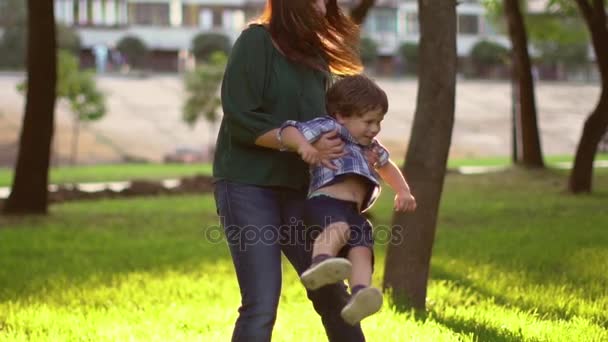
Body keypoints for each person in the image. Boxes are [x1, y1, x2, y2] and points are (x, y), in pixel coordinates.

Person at [212, 0, 370, 341]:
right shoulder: (256, 41)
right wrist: (298, 144)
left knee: (332, 293)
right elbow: (241, 117)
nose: (322, 5)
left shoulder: (316, 56)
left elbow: (323, 122)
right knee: (261, 302)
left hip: (301, 189)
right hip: (247, 185)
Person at [278, 75, 417, 325]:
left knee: (362, 249)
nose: (375, 129)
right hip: (325, 202)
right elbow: (288, 129)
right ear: (342, 115)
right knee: (338, 229)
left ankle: (360, 294)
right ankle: (320, 264)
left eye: (379, 122)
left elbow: (388, 168)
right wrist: (303, 147)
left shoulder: (371, 147)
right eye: (368, 121)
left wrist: (403, 191)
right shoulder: (329, 128)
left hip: (356, 212)